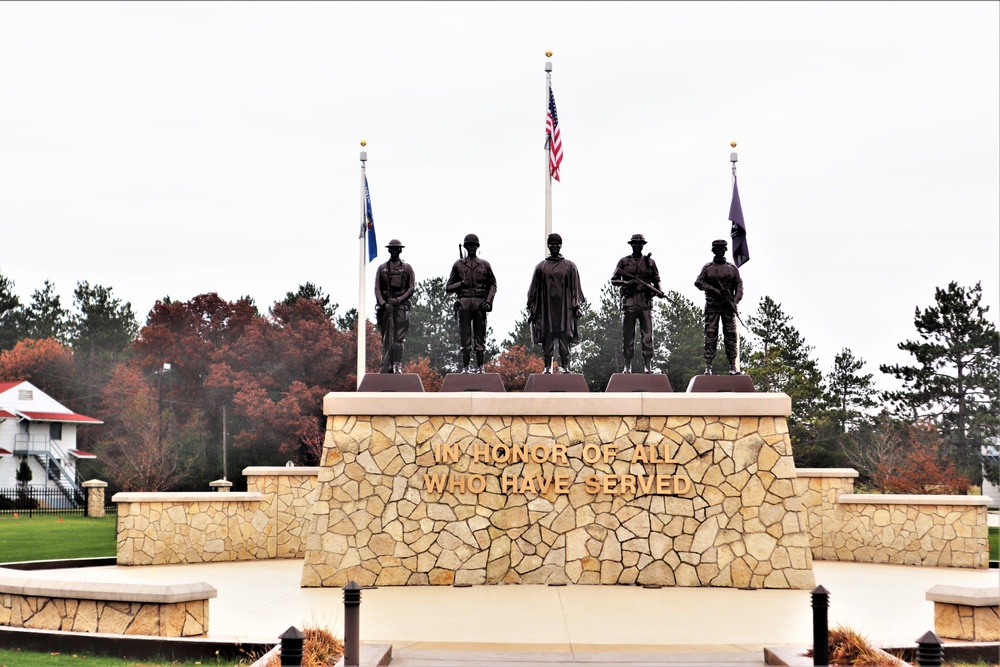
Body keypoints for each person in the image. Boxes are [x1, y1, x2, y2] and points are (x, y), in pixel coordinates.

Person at [527, 233, 585, 374]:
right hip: (546, 309)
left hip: (565, 309)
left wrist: (576, 305)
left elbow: (576, 288)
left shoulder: (570, 266)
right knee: (547, 336)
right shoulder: (541, 267)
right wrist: (532, 308)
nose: (554, 247)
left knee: (564, 337)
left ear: (561, 246)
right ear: (548, 246)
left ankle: (565, 367)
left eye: (557, 244)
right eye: (552, 244)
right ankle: (547, 367)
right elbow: (533, 290)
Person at [446, 233, 497, 373]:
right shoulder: (458, 265)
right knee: (465, 335)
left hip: (480, 303)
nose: (472, 248)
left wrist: (488, 301)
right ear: (466, 247)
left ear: (478, 247)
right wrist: (460, 284)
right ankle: (465, 367)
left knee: (480, 336)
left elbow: (493, 285)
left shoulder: (485, 265)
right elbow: (448, 287)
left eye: (474, 246)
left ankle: (481, 367)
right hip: (464, 302)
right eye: (469, 246)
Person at [610, 233, 662, 374]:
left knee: (647, 335)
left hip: (645, 302)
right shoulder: (624, 262)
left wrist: (659, 291)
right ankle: (627, 366)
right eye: (635, 244)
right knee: (628, 335)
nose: (637, 246)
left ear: (643, 245)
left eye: (640, 244)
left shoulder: (650, 262)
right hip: (630, 302)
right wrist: (627, 282)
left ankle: (648, 365)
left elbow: (657, 280)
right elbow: (614, 279)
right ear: (631, 245)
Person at [694, 239, 744, 375]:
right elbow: (698, 282)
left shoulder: (732, 269)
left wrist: (735, 301)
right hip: (712, 306)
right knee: (710, 335)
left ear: (725, 250)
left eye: (722, 249)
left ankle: (733, 366)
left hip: (728, 307)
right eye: (717, 249)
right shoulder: (708, 268)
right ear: (713, 251)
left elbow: (739, 286)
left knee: (731, 335)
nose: (720, 251)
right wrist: (713, 289)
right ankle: (708, 366)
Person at [374, 239, 416, 374]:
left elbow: (411, 288)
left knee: (399, 338)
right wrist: (384, 304)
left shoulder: (407, 268)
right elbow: (377, 288)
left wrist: (398, 300)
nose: (394, 251)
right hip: (385, 308)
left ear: (400, 250)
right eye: (391, 249)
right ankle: (387, 365)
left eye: (396, 249)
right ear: (388, 250)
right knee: (386, 337)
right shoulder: (382, 268)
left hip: (401, 306)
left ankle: (397, 365)